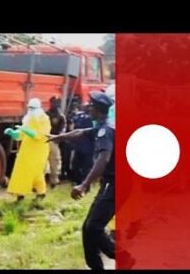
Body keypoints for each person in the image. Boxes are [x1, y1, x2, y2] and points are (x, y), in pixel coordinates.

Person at [48, 91, 134, 269]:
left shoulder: (106, 131)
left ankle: (123, 257)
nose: (88, 107)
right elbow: (81, 132)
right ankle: (98, 265)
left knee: (93, 227)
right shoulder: (103, 126)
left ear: (97, 110)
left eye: (91, 105)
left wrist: (84, 185)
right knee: (88, 228)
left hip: (116, 185)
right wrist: (58, 137)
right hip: (113, 184)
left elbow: (104, 159)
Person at [4, 98, 51, 205]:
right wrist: (13, 133)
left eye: (32, 108)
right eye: (29, 108)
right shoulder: (28, 119)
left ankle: (41, 192)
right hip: (26, 150)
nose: (31, 110)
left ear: (39, 108)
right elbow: (21, 135)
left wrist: (27, 131)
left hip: (39, 150)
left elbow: (41, 135)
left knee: (35, 172)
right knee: (21, 172)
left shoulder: (44, 119)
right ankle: (20, 195)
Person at [70, 104, 94, 188]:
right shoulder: (80, 117)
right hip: (79, 146)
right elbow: (75, 129)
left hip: (88, 148)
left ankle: (86, 185)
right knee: (75, 165)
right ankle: (77, 181)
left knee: (86, 168)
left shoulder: (92, 119)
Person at [46, 96, 66, 187]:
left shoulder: (60, 116)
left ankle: (54, 180)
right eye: (53, 102)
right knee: (43, 161)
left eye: (56, 103)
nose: (55, 104)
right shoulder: (46, 114)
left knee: (55, 161)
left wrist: (59, 137)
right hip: (45, 139)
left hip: (54, 140)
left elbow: (63, 128)